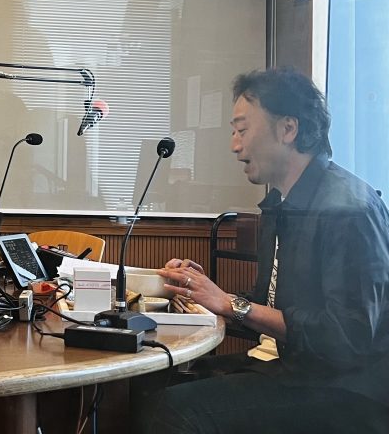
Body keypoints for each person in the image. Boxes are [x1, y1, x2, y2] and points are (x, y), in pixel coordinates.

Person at [149, 68, 389, 433]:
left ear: (288, 129)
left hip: (347, 391)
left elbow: (346, 337)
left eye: (242, 130)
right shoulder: (281, 204)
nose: (234, 146)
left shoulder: (349, 210)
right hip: (294, 369)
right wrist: (201, 293)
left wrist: (231, 304)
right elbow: (270, 307)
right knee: (153, 382)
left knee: (174, 410)